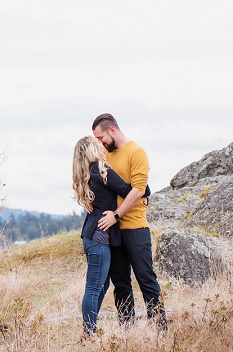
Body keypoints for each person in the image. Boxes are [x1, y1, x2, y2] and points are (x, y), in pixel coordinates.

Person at [92, 113, 167, 329]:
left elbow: (138, 190)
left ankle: (159, 330)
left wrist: (116, 215)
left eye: (100, 137)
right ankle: (127, 331)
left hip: (135, 228)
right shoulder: (105, 156)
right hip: (113, 232)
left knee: (146, 280)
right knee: (121, 283)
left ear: (112, 130)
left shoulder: (136, 152)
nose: (99, 142)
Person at [72, 136, 144, 337]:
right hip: (99, 237)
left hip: (91, 236)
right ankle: (89, 333)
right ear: (92, 150)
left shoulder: (87, 172)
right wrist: (145, 189)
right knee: (95, 288)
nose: (102, 144)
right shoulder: (100, 169)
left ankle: (90, 330)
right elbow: (126, 189)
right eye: (98, 144)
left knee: (100, 287)